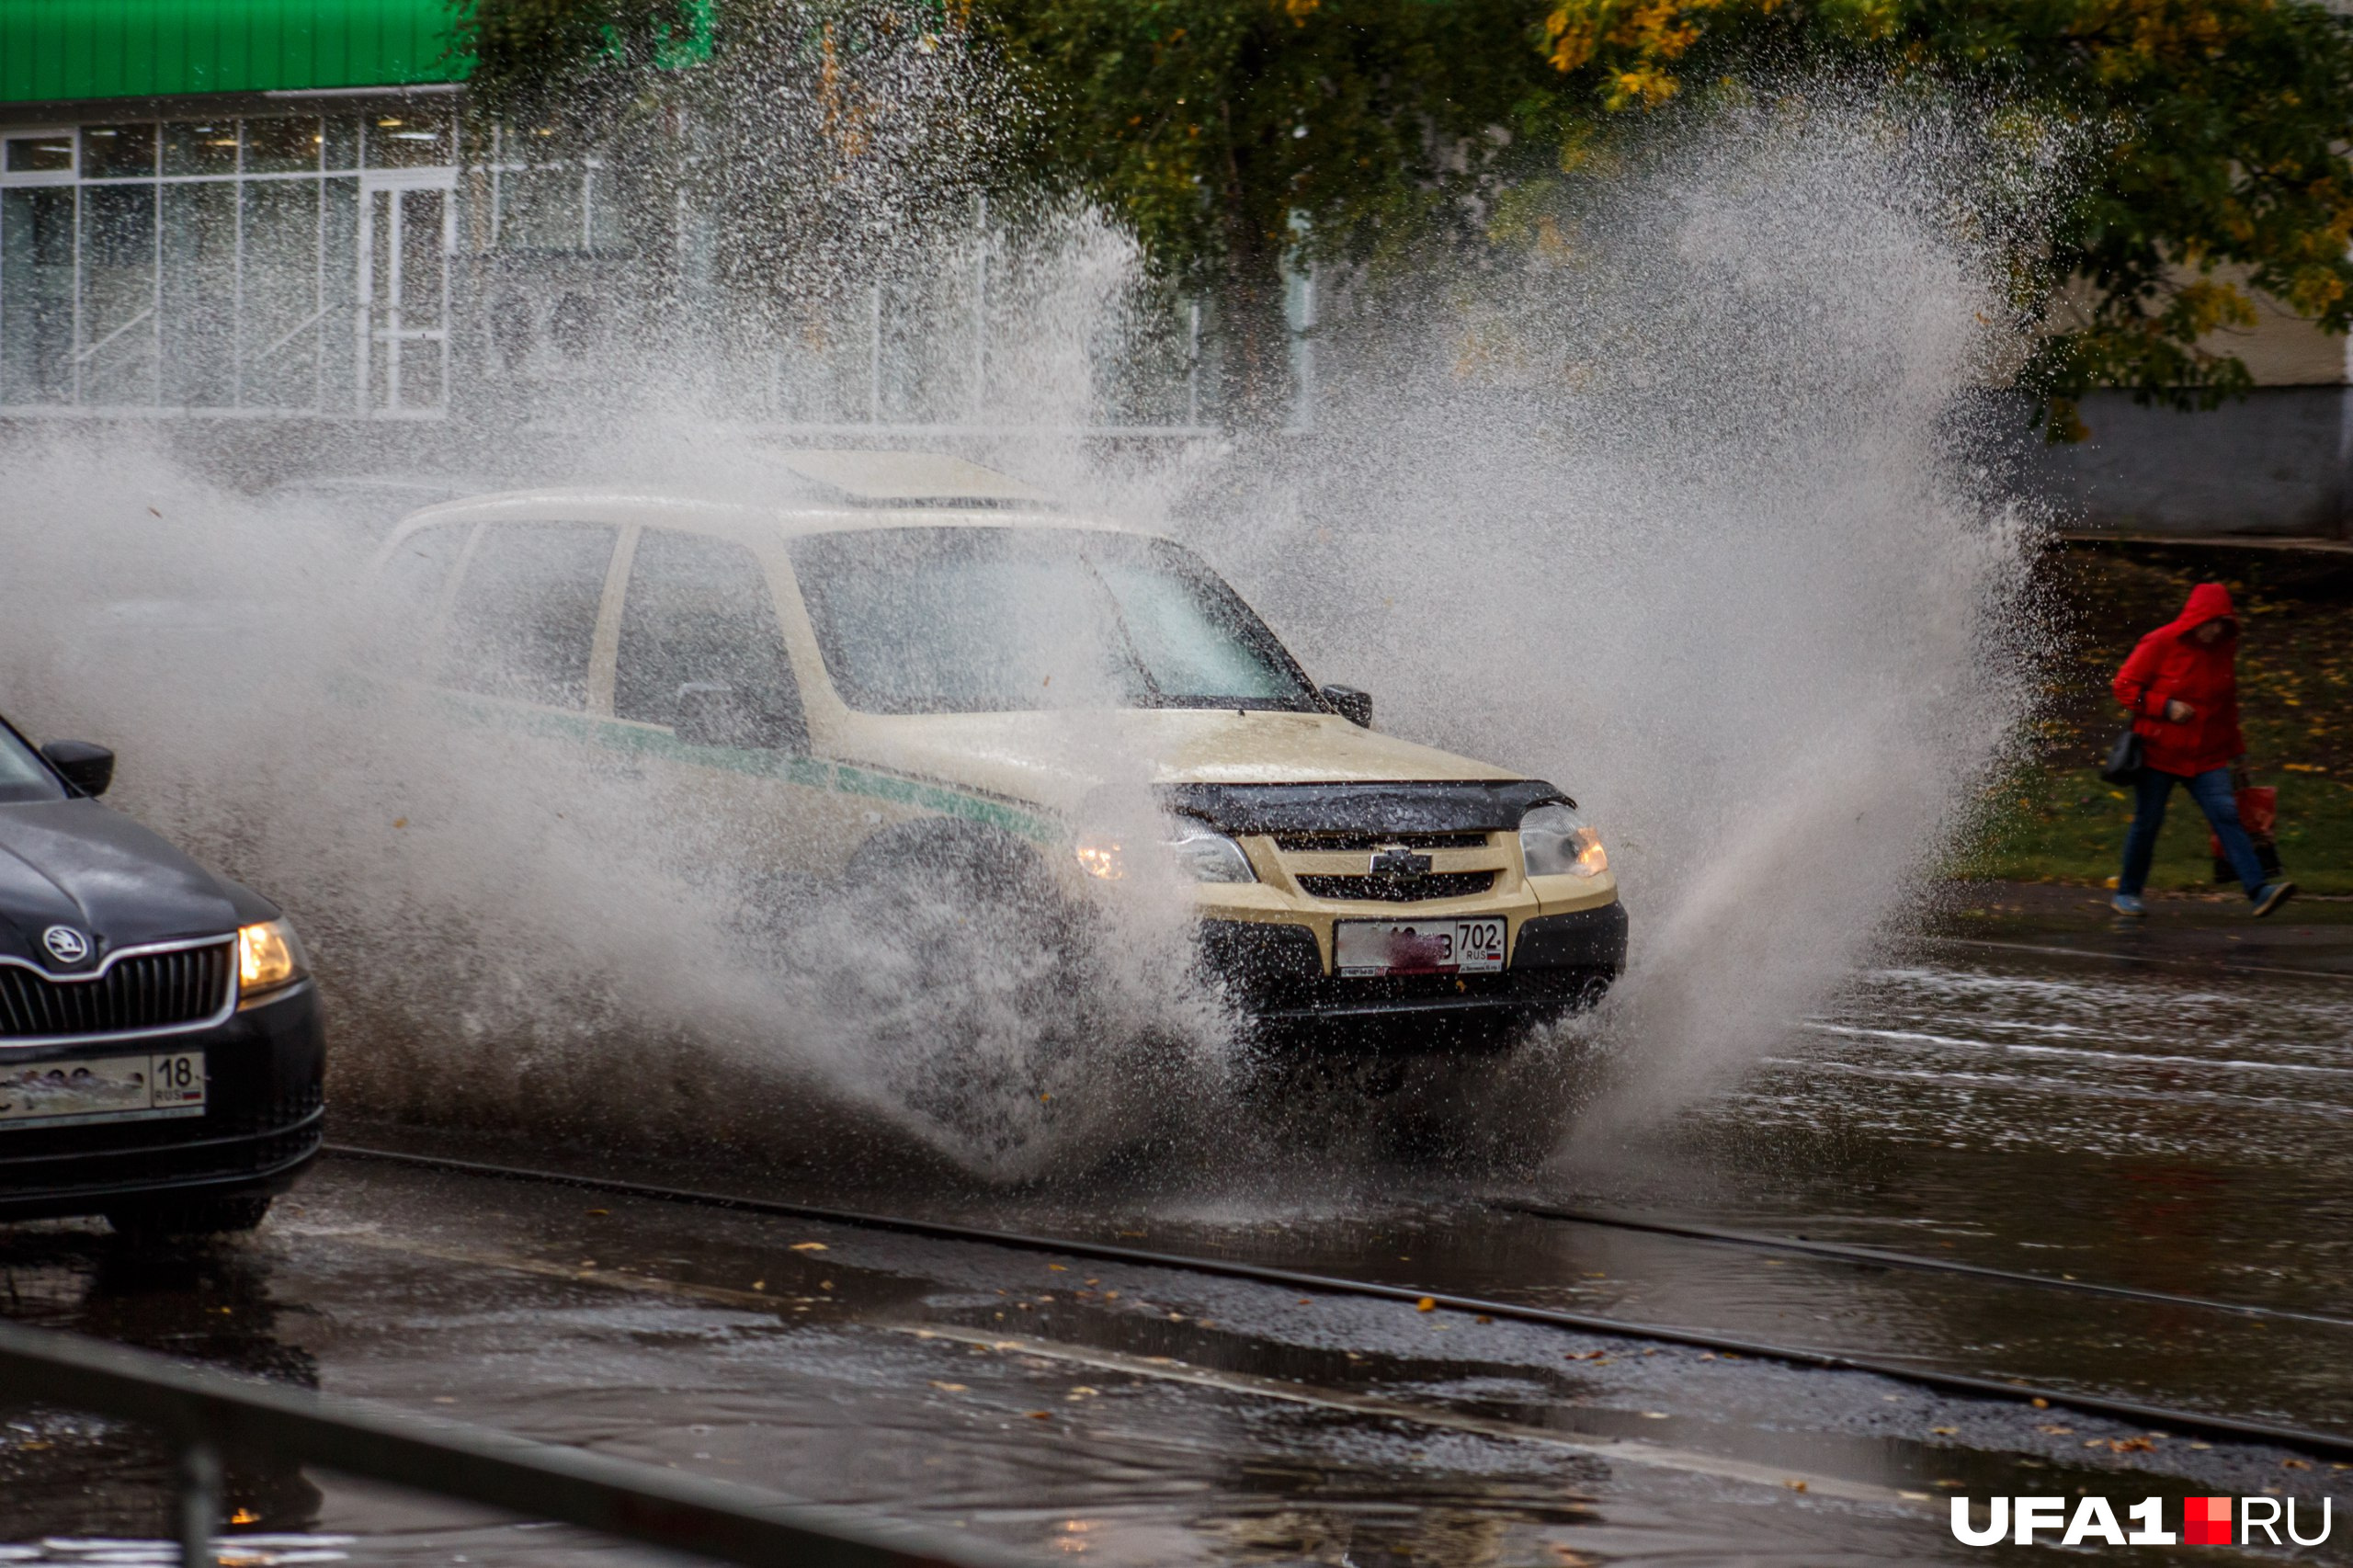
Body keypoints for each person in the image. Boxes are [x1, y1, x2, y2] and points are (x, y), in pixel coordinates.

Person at [2110, 582, 2295, 918]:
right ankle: (2127, 893)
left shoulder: (2224, 649)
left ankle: (2258, 891)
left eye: (2221, 623)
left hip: (2207, 756)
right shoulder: (2160, 642)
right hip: (2157, 753)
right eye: (2209, 622)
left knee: (2227, 815)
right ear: (2194, 619)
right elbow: (2123, 687)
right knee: (2148, 822)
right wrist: (2165, 707)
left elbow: (2227, 708)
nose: (2214, 630)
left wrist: (2237, 755)